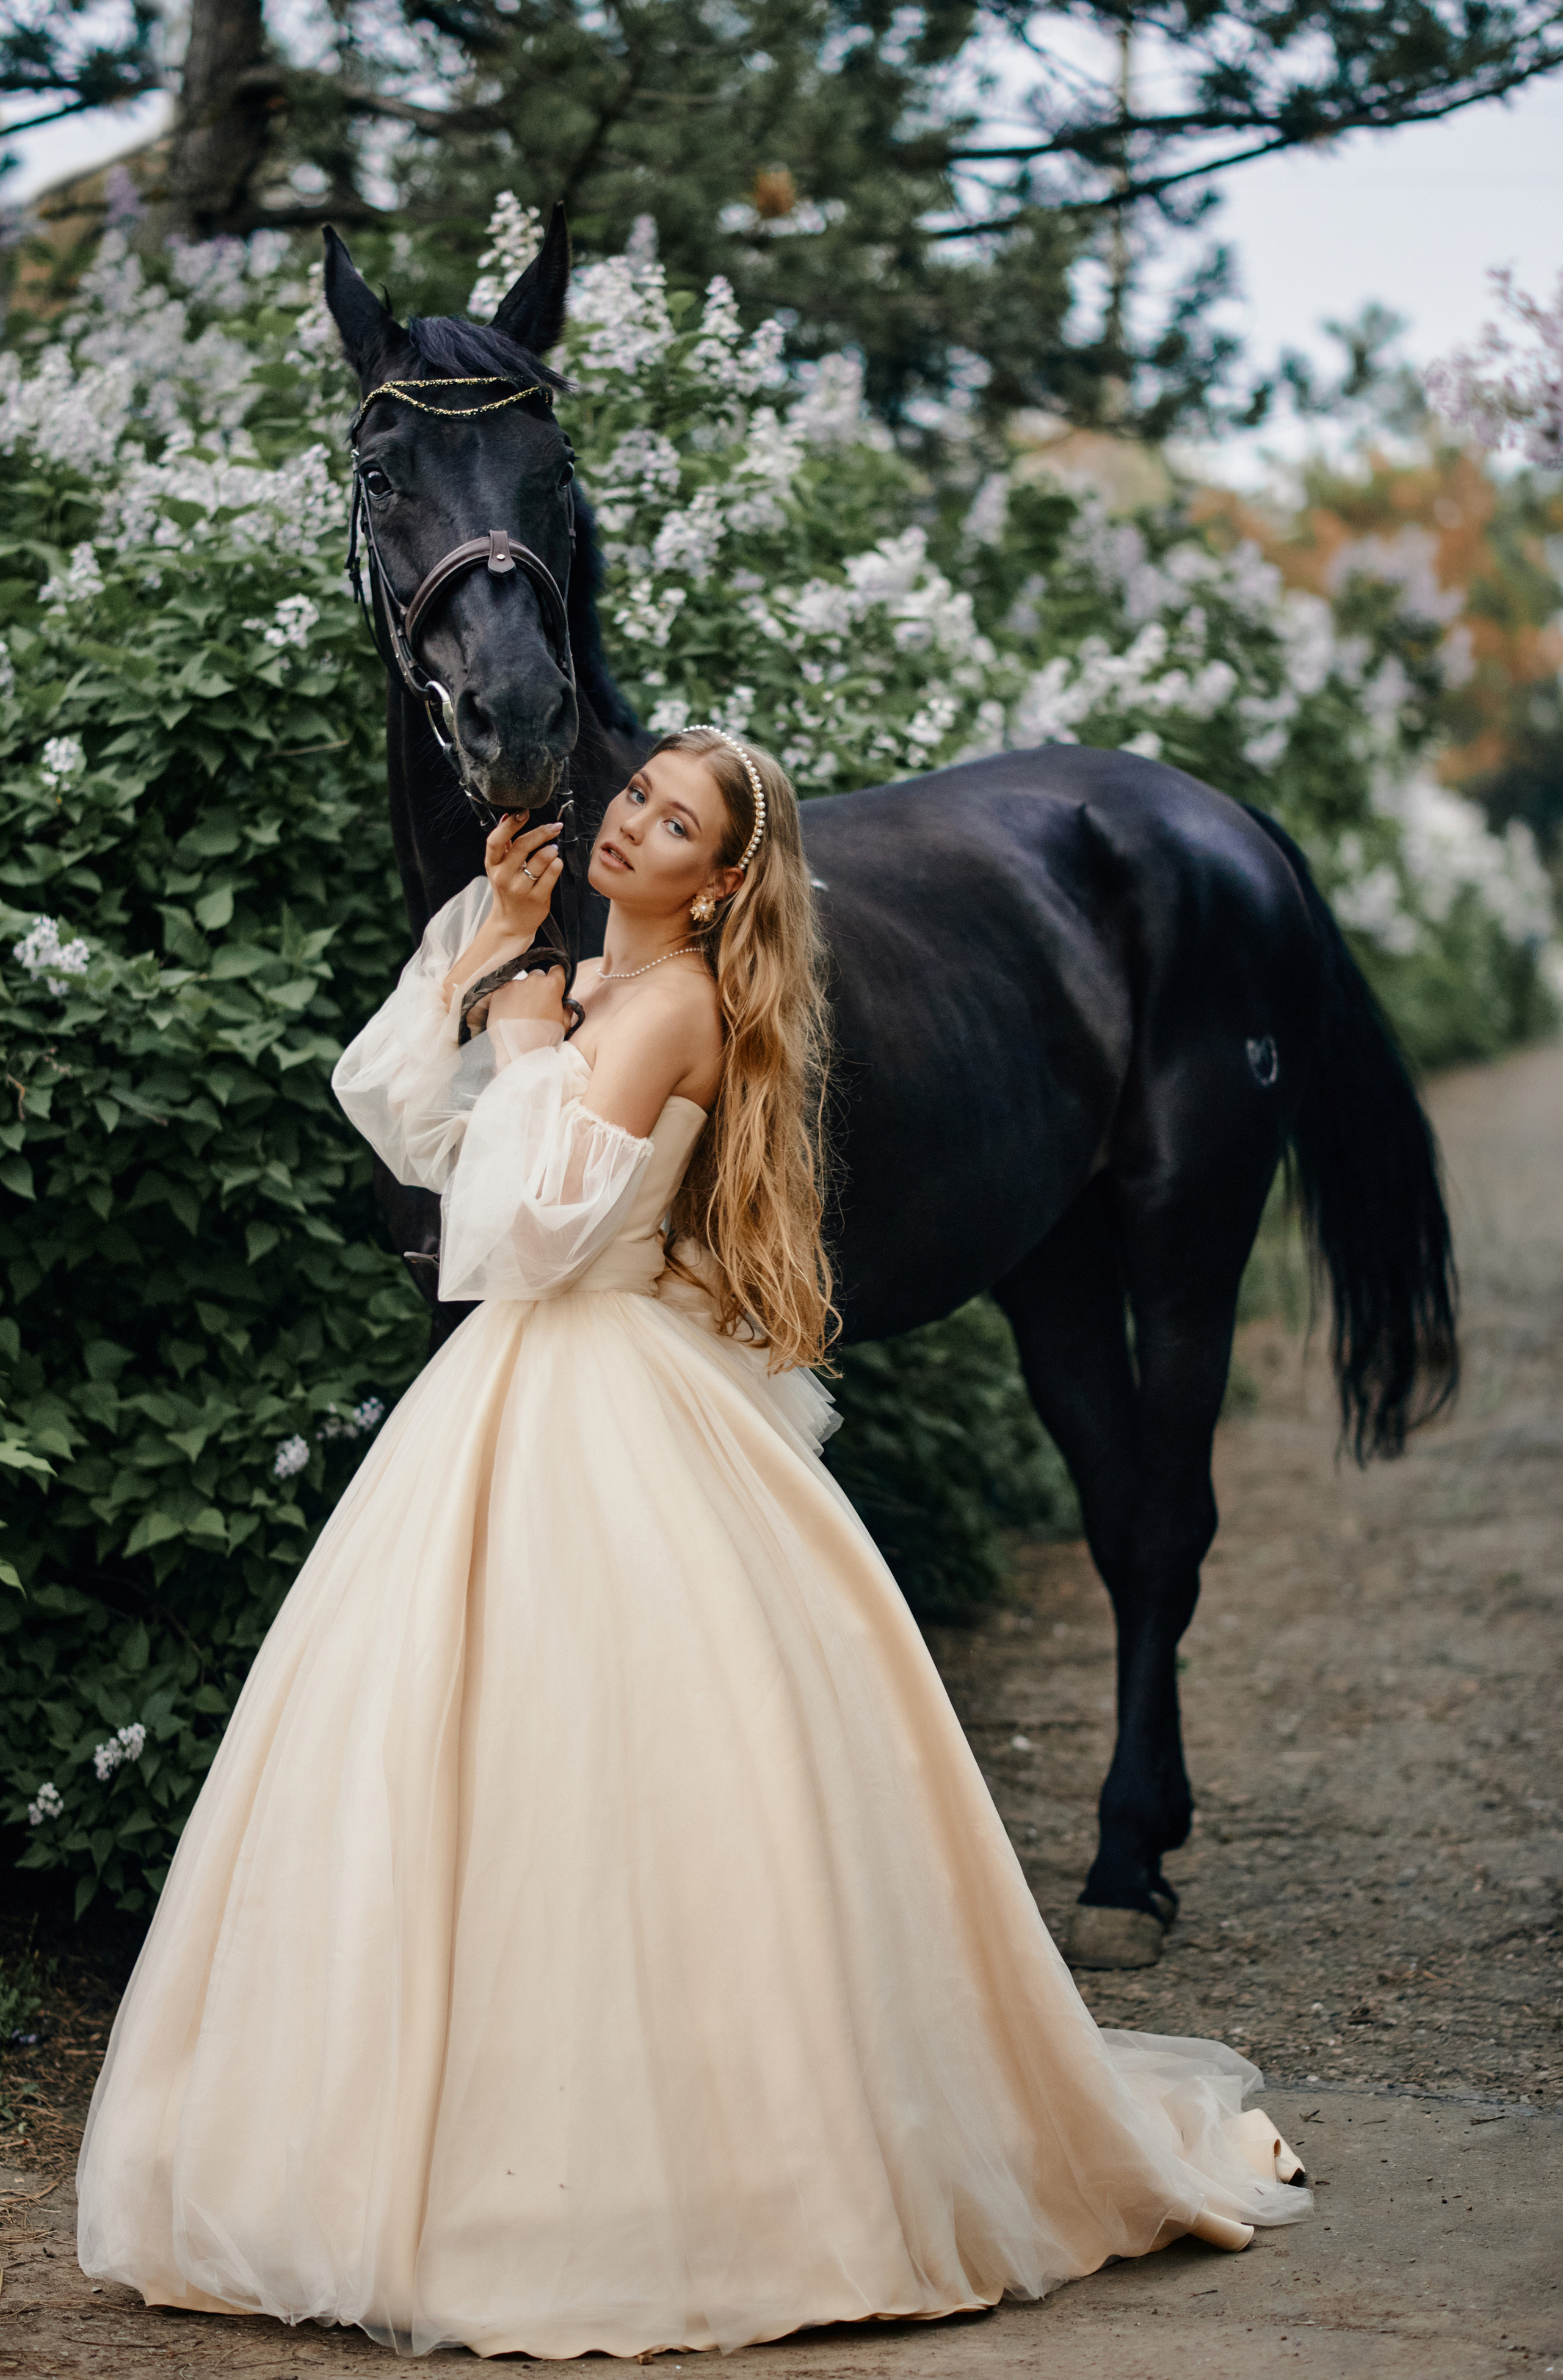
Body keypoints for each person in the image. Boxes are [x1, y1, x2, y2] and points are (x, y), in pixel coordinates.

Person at [76, 725, 1308, 2361]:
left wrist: (517, 1021)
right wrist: (489, 953)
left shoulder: (663, 1011)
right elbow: (398, 1120)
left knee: (627, 1779)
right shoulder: (588, 977)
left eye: (673, 820)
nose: (631, 821)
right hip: (515, 1402)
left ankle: (659, 2174)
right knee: (456, 1767)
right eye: (638, 793)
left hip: (596, 1389)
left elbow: (512, 1239)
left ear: (721, 879)